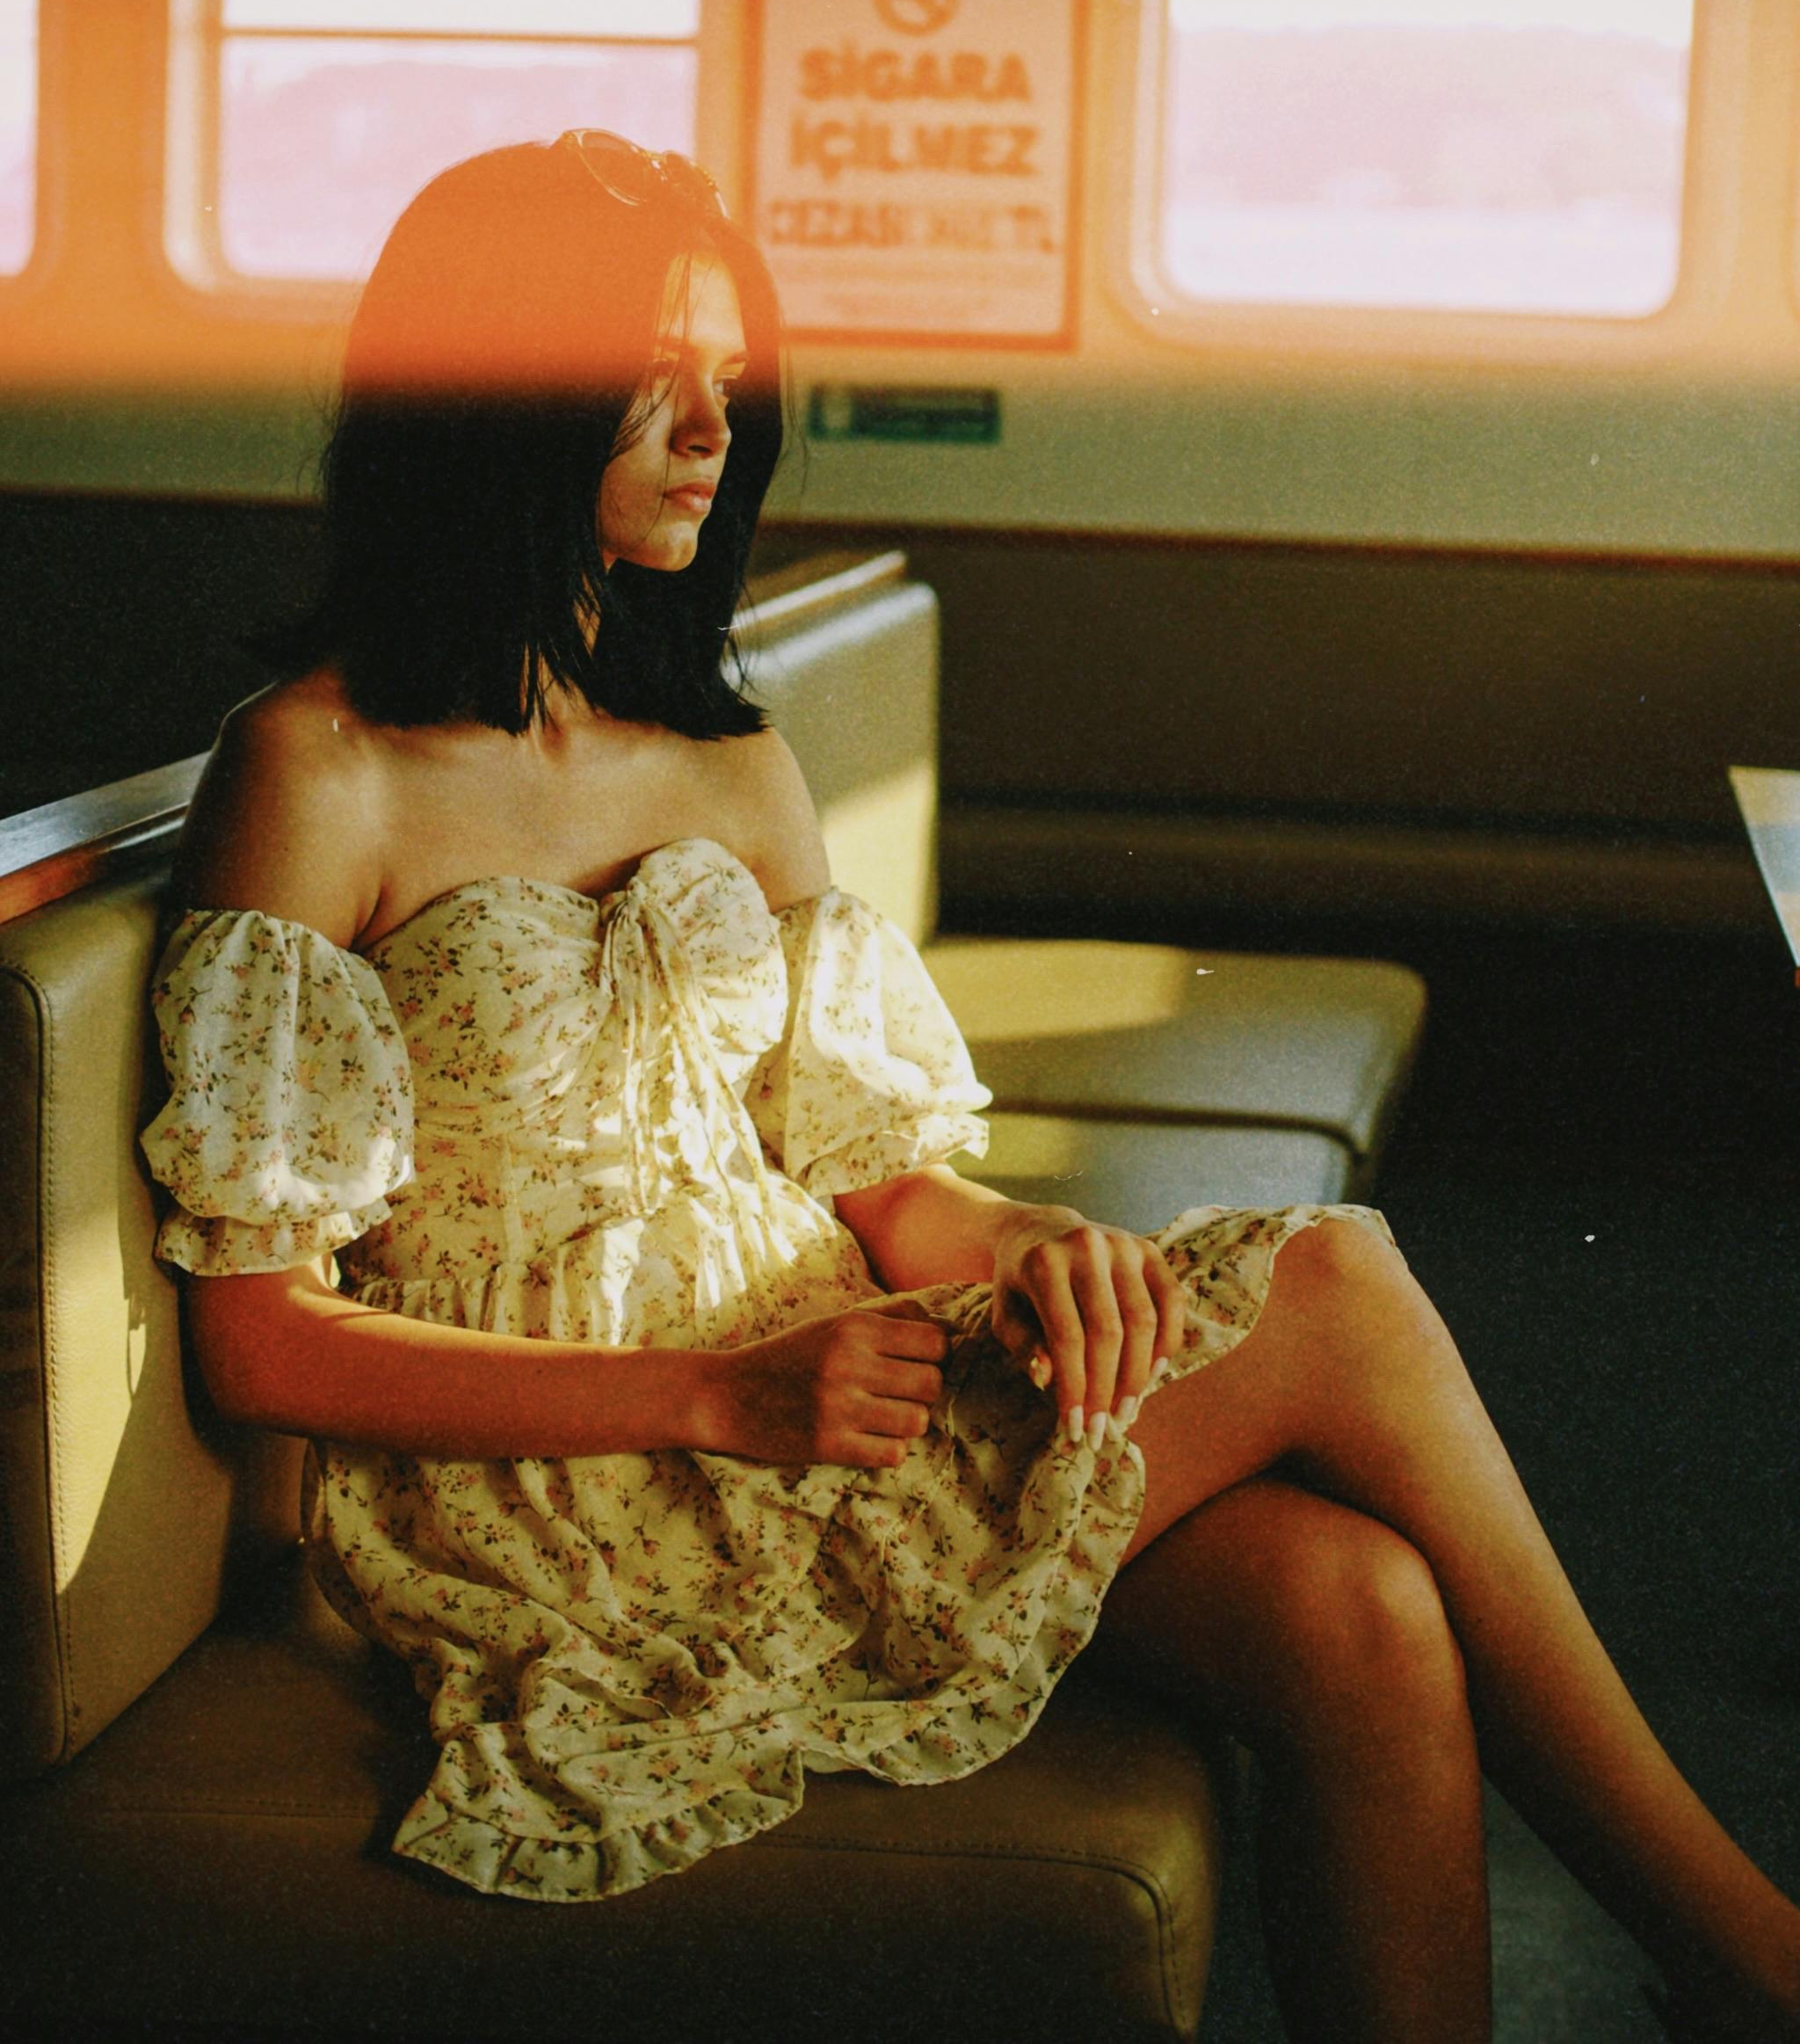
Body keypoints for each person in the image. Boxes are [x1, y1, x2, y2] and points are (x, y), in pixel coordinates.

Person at [143, 130, 1800, 2044]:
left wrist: (1028, 1248)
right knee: (1335, 1285)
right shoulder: (317, 769)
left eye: (727, 379)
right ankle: (1736, 1948)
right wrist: (713, 1396)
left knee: (1355, 1610)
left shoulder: (722, 753)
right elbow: (259, 1340)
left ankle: (1733, 1956)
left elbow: (877, 1185)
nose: (711, 428)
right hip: (571, 1473)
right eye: (652, 376)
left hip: (826, 1364)